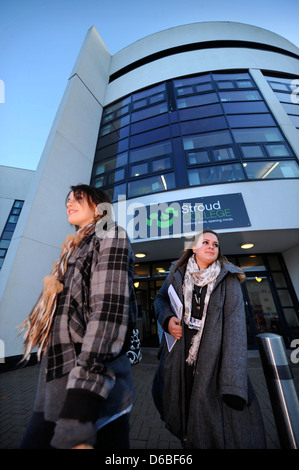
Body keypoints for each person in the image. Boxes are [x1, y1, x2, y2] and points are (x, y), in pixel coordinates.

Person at [19, 184, 137, 449]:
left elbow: (109, 309)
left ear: (98, 206)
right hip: (54, 379)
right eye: (67, 200)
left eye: (77, 199)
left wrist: (82, 400)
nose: (69, 204)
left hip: (91, 384)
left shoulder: (111, 235)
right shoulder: (71, 249)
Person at [152, 230, 266, 449]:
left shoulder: (228, 278)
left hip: (213, 361)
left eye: (215, 244)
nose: (212, 246)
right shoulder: (177, 272)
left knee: (212, 423)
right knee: (181, 411)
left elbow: (235, 329)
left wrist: (233, 383)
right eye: (205, 242)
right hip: (179, 357)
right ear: (193, 248)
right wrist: (166, 320)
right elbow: (160, 300)